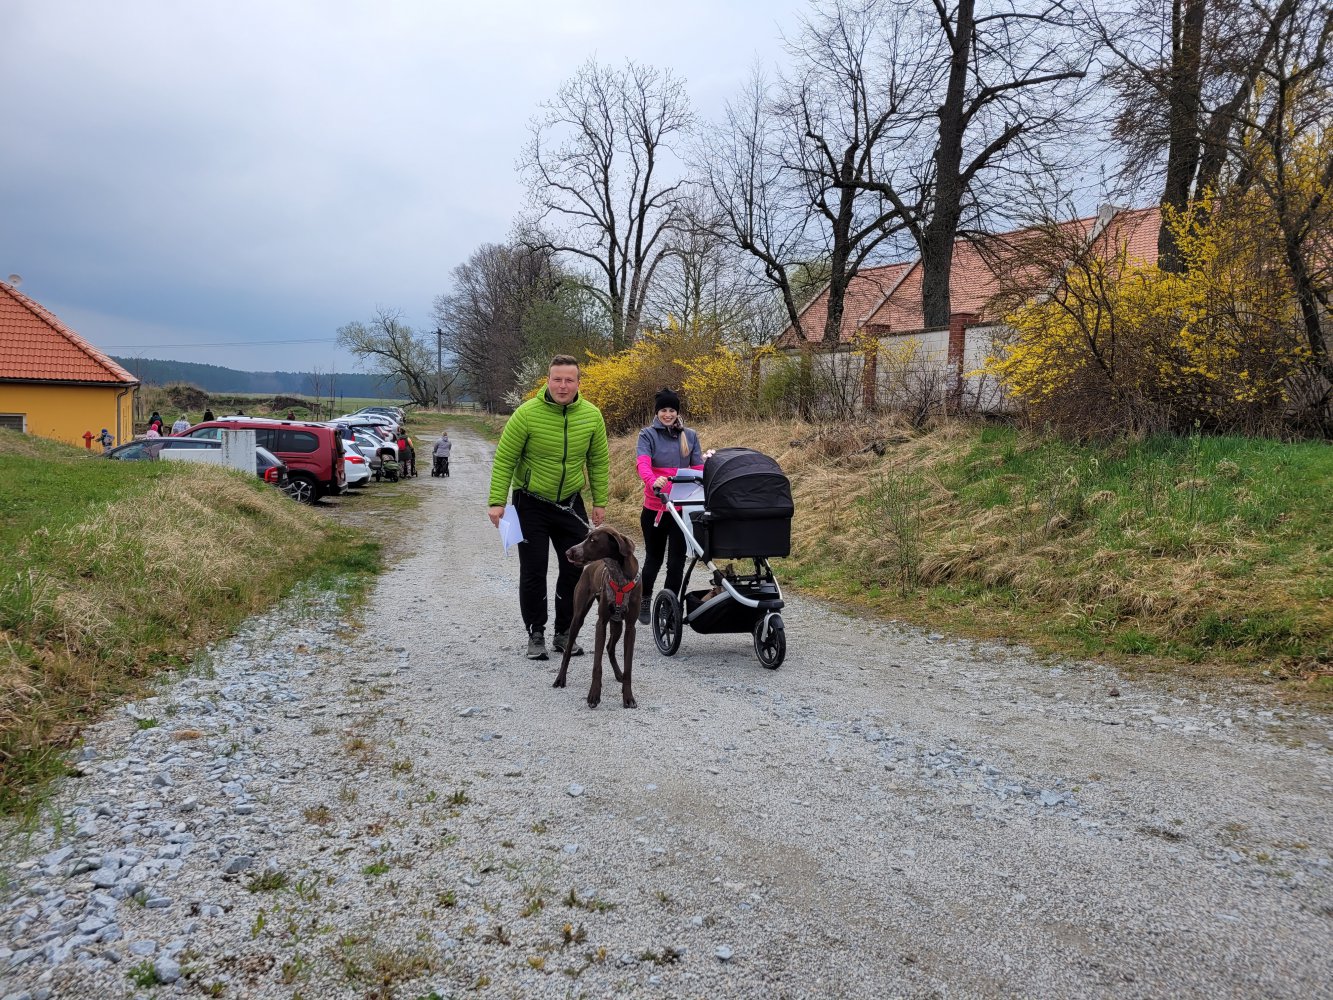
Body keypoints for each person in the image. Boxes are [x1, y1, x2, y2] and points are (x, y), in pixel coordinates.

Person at [488, 355, 609, 661]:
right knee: (534, 570)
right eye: (557, 379)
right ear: (548, 380)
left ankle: (564, 632)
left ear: (578, 383)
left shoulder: (592, 416)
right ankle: (536, 632)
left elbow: (598, 461)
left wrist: (600, 501)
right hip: (531, 503)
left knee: (576, 568)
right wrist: (497, 501)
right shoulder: (526, 414)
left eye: (569, 380)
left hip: (570, 502)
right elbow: (505, 459)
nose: (562, 386)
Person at [635, 388, 710, 624]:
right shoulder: (647, 435)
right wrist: (652, 481)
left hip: (681, 509)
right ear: (657, 412)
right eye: (663, 410)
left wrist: (708, 465)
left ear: (678, 412)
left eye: (672, 410)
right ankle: (644, 598)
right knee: (653, 559)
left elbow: (697, 468)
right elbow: (643, 464)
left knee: (676, 563)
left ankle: (668, 605)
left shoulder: (690, 435)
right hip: (656, 508)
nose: (668, 414)